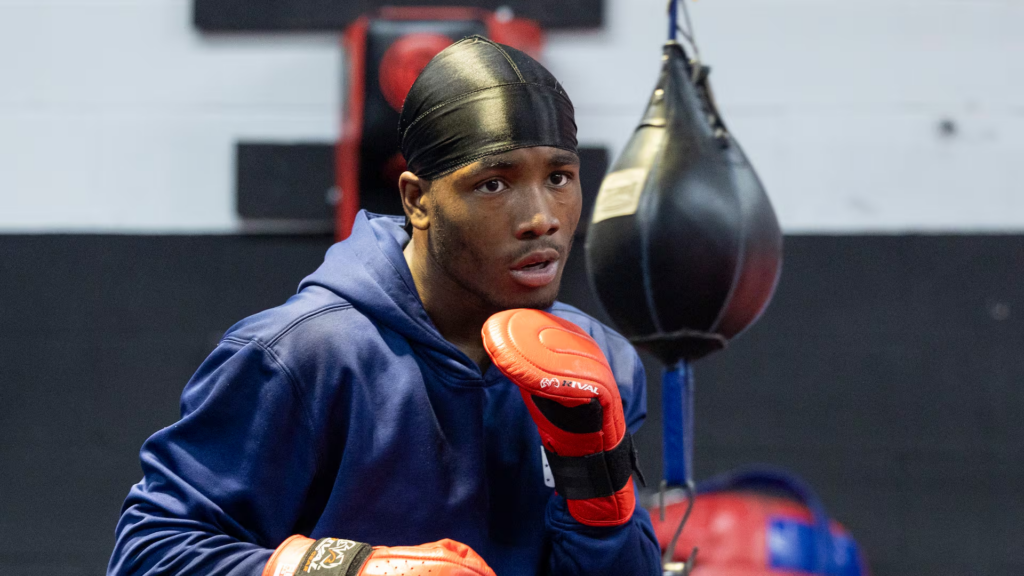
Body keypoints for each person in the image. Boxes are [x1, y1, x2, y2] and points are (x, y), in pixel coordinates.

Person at [108, 36, 661, 576]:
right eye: (494, 184)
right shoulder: (304, 357)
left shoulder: (596, 362)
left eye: (559, 177)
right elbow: (150, 552)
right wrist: (352, 570)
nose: (543, 216)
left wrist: (597, 500)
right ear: (418, 201)